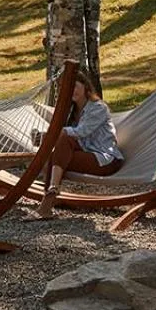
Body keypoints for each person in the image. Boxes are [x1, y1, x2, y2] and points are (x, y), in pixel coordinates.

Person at [36, 71, 123, 218]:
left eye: (75, 86)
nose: (72, 91)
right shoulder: (71, 111)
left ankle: (49, 198)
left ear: (85, 86)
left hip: (106, 160)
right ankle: (50, 196)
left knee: (56, 152)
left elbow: (81, 132)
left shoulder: (98, 108)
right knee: (58, 150)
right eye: (67, 89)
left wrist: (48, 136)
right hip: (86, 154)